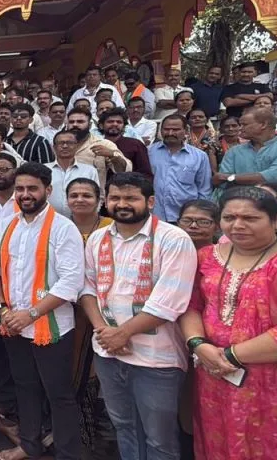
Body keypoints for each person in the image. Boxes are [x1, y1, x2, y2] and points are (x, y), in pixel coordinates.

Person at [80, 172, 197, 460]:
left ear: (150, 201)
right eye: (115, 198)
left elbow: (169, 301)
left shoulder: (173, 239)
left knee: (159, 438)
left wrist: (122, 333)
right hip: (108, 353)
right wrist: (104, 332)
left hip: (156, 359)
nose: (122, 204)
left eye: (131, 198)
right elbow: (87, 288)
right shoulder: (98, 238)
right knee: (124, 426)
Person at [179, 186, 277, 460]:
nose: (237, 225)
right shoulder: (207, 256)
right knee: (216, 440)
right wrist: (198, 344)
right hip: (212, 374)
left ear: (275, 220)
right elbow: (191, 305)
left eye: (250, 218)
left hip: (270, 380)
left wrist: (229, 355)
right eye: (229, 217)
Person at [0, 163, 84, 460]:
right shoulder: (9, 225)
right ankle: (29, 444)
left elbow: (71, 282)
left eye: (32, 188)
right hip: (13, 324)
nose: (25, 194)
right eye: (20, 189)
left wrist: (29, 314)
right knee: (25, 387)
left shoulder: (63, 228)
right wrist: (3, 308)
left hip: (51, 327)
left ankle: (67, 454)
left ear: (48, 190)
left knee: (58, 395)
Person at [146, 115, 212, 224]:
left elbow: (204, 189)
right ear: (160, 131)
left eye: (175, 129)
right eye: (166, 129)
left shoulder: (199, 156)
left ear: (185, 131)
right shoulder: (148, 152)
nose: (170, 133)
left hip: (186, 218)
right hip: (154, 215)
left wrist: (198, 214)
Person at [216, 107, 277, 190]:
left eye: (244, 125)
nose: (240, 128)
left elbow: (273, 177)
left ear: (263, 124)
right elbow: (221, 182)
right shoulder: (234, 151)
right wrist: (228, 178)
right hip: (238, 197)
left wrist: (230, 178)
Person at [66, 107, 130, 189]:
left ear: (90, 125)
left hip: (93, 195)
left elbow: (124, 170)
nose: (75, 125)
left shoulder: (104, 144)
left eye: (80, 122)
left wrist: (112, 155)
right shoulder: (58, 145)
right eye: (71, 122)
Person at [47, 130, 101, 217]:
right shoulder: (44, 170)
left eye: (69, 143)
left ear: (77, 146)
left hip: (81, 220)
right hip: (49, 220)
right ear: (54, 147)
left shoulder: (89, 171)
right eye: (61, 143)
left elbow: (96, 196)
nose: (65, 146)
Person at [100, 108, 152, 180]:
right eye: (110, 122)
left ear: (124, 127)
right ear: (101, 126)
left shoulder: (135, 144)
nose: (115, 124)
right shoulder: (96, 144)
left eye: (119, 122)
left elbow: (145, 174)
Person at [66, 178, 113, 242]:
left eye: (87, 196)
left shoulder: (112, 225)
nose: (79, 200)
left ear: (98, 200)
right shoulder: (60, 226)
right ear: (67, 200)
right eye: (74, 196)